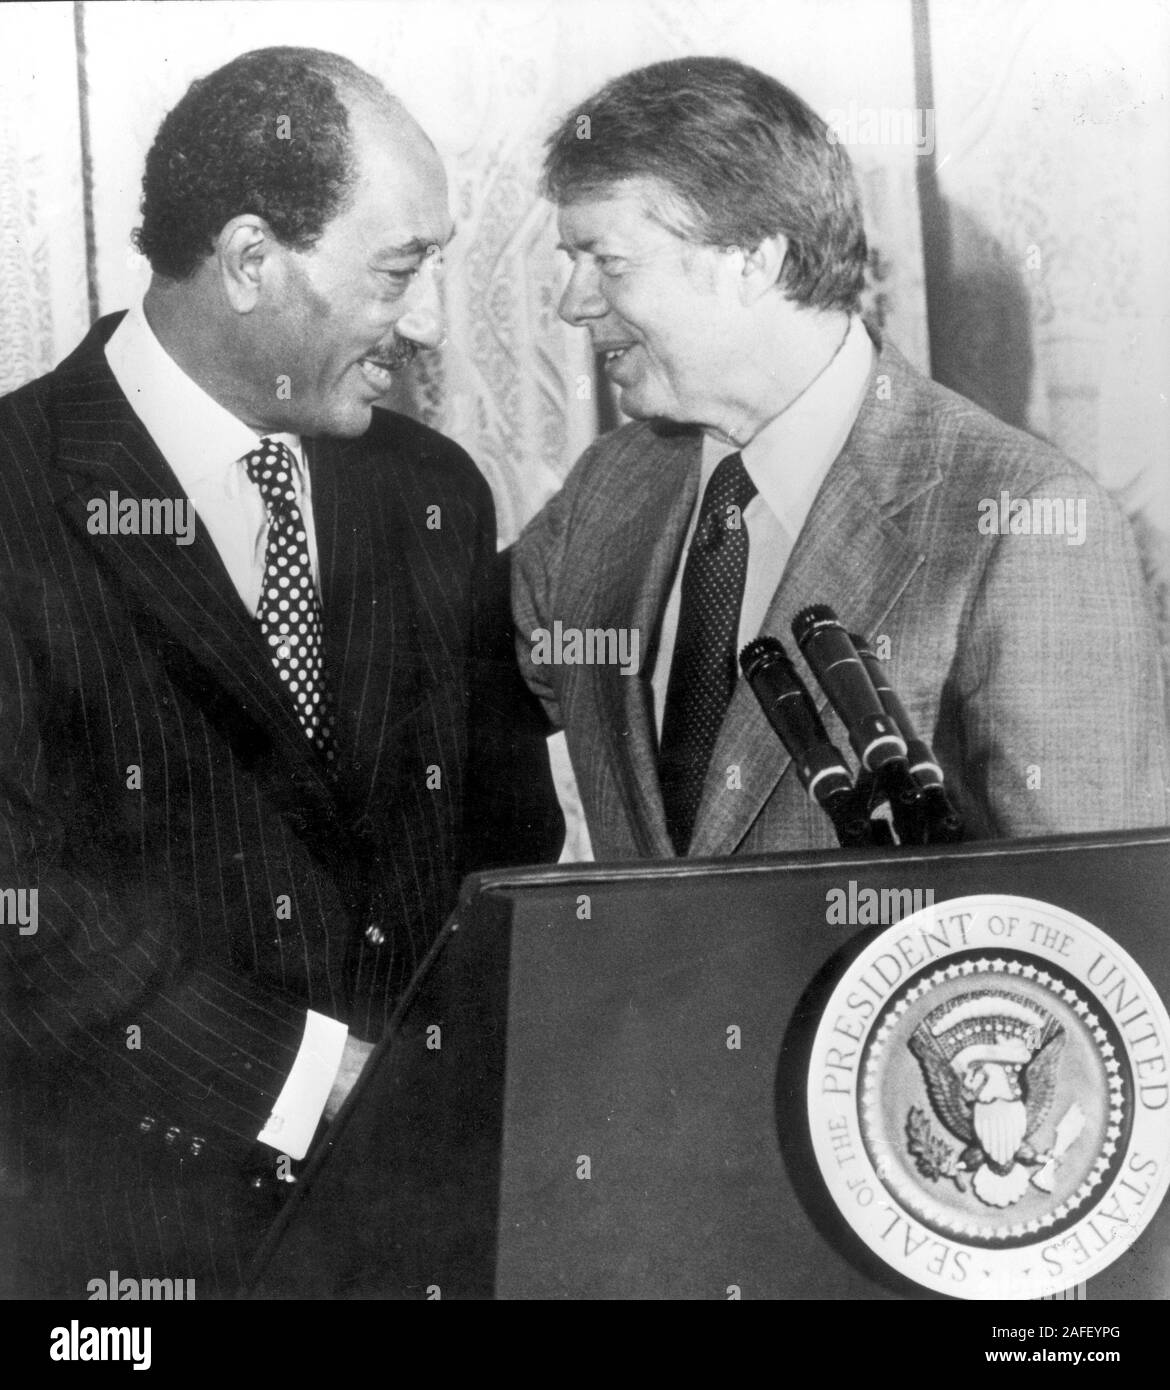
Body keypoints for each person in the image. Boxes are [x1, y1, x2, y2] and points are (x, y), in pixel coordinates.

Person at [0, 46, 561, 1298]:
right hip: (120, 1261)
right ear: (253, 261)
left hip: (428, 1241)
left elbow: (503, 852)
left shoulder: (432, 494)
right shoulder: (14, 494)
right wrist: (314, 1082)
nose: (422, 325)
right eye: (399, 269)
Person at [514, 55, 1169, 861]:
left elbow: (1092, 923)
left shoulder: (1027, 526)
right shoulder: (612, 485)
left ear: (754, 259)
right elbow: (438, 683)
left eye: (605, 262)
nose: (572, 303)